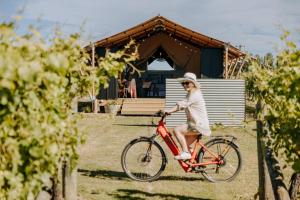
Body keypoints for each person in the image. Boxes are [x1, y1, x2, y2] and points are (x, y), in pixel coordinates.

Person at [165, 72, 211, 160]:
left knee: (177, 130)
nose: (185, 85)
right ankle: (197, 159)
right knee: (184, 144)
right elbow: (182, 104)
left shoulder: (195, 94)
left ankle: (186, 153)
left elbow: (182, 104)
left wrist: (168, 111)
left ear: (193, 84)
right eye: (183, 83)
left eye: (187, 83)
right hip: (195, 124)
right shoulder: (190, 94)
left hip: (198, 125)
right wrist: (169, 111)